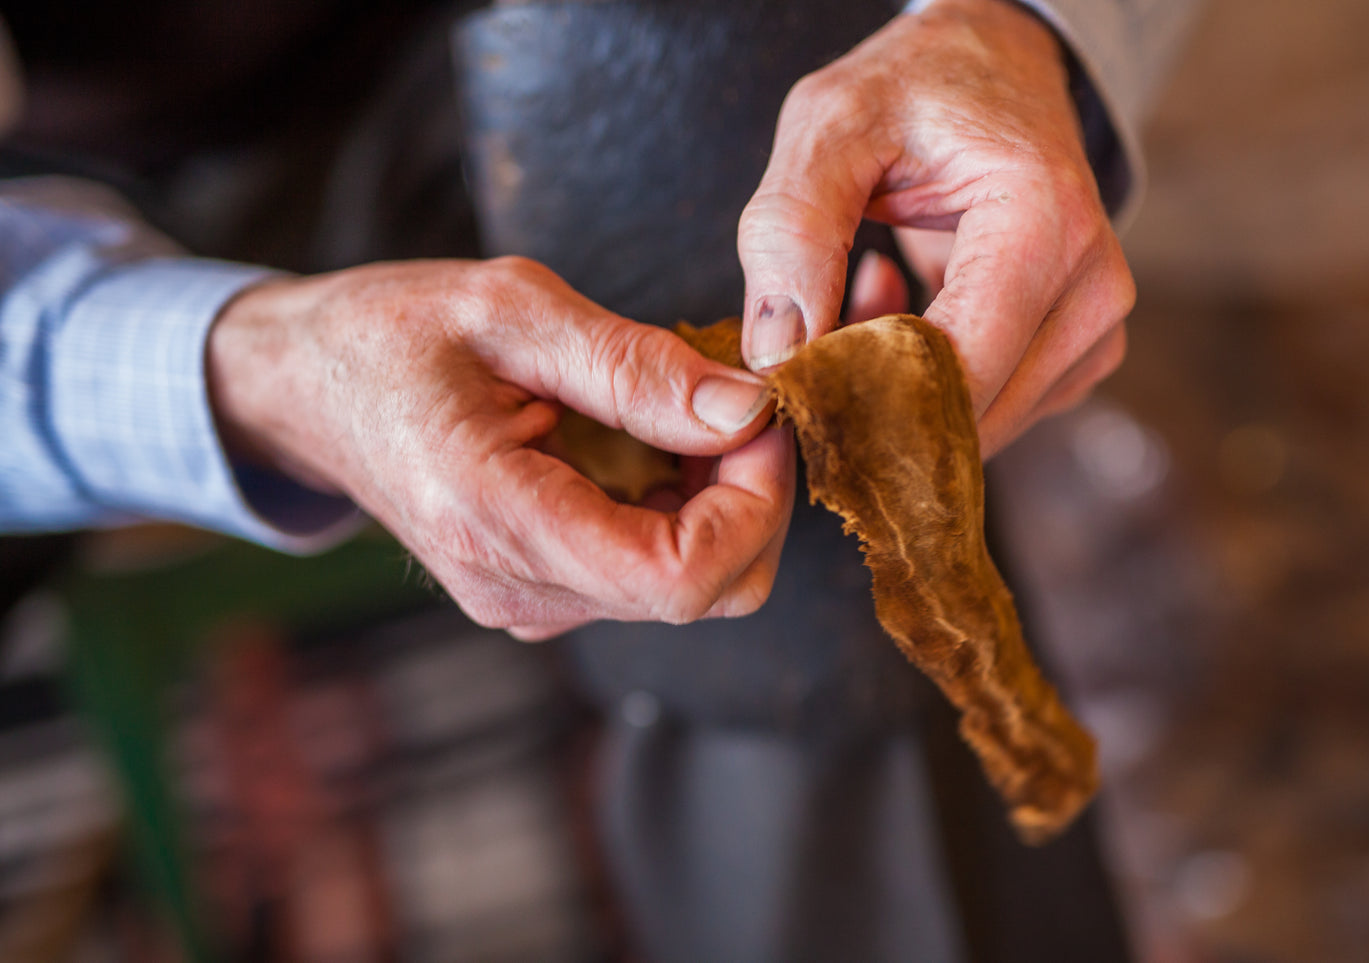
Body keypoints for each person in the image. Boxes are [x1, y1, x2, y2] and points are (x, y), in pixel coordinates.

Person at [0, 0, 1197, 958]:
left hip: (527, 63)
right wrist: (246, 367)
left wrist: (1029, 30)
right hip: (76, 200)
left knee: (690, 106)